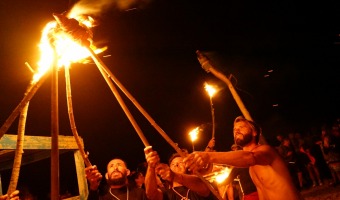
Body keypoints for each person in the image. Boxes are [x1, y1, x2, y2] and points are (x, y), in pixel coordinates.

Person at [183, 116, 304, 200]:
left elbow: (250, 157)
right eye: (235, 129)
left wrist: (209, 156)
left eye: (241, 127)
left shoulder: (266, 151)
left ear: (254, 132)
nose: (237, 130)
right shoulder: (251, 169)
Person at [144, 146, 215, 200]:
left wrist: (174, 176)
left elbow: (204, 187)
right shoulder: (167, 193)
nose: (176, 165)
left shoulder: (194, 186)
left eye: (180, 163)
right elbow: (151, 195)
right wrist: (151, 166)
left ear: (188, 167)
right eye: (173, 164)